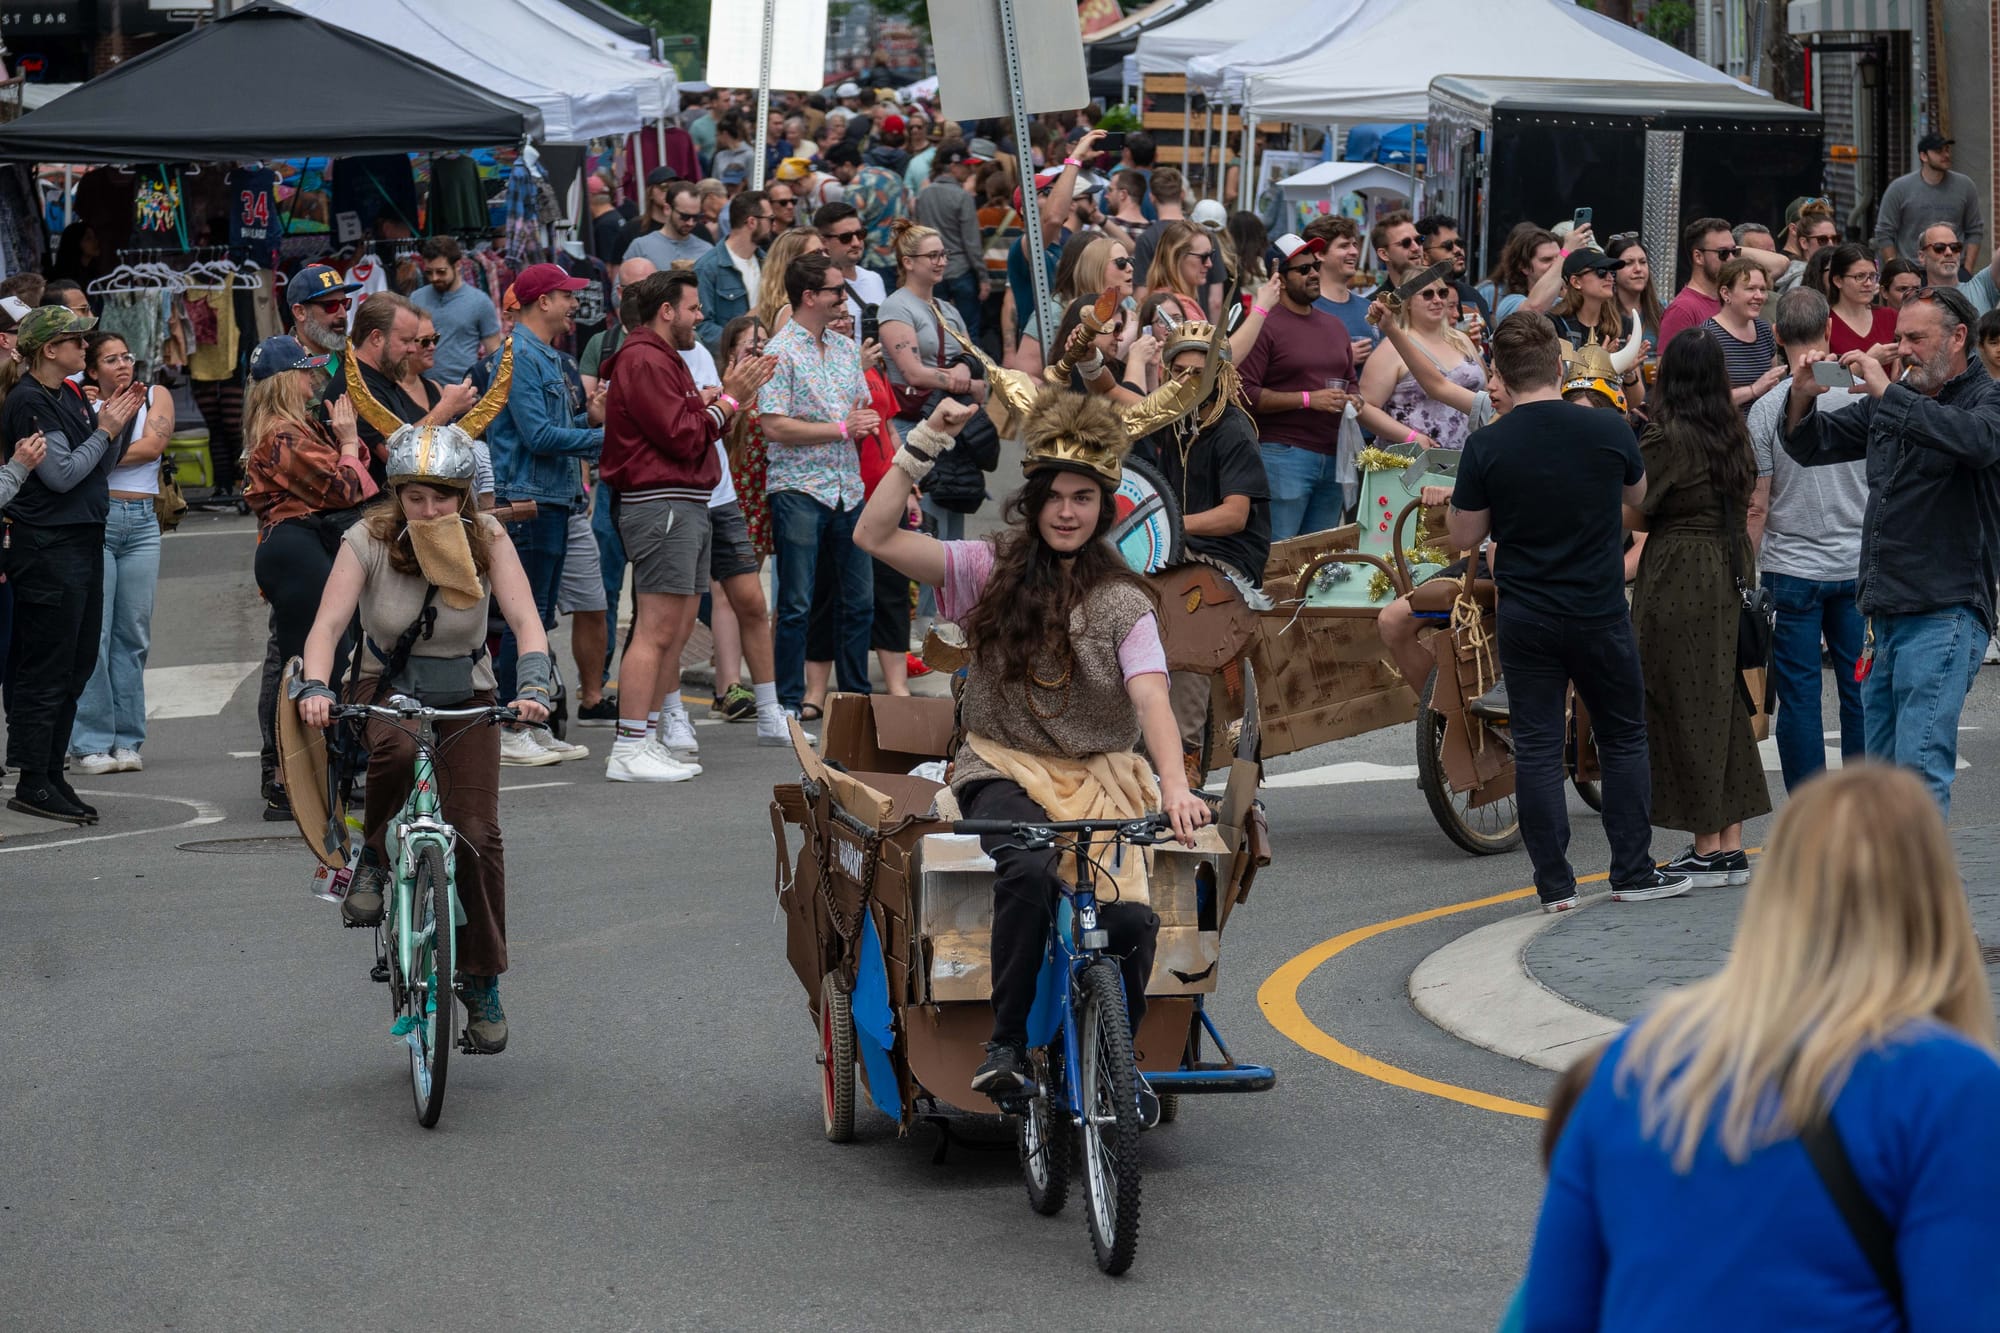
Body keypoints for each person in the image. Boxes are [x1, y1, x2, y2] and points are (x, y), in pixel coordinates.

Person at [1522, 763, 2000, 1329]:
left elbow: (1550, 1315)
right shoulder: (1949, 1089)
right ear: (1939, 904)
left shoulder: (1629, 1067)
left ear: (1777, 897)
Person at [854, 386, 1211, 1100]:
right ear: (1035, 500)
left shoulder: (1124, 599)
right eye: (1056, 495)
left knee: (1134, 919)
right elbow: (875, 536)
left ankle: (1118, 1058)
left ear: (1104, 507)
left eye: (1084, 496)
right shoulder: (987, 569)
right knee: (1025, 866)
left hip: (1099, 775)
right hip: (1000, 763)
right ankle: (1008, 1043)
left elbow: (1151, 697)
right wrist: (925, 439)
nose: (1068, 511)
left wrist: (1174, 783)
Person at [293, 419, 550, 1052]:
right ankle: (375, 860)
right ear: (397, 493)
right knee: (402, 748)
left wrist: (537, 688)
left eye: (441, 496)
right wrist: (317, 688)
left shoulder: (487, 535)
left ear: (463, 494)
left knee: (479, 836)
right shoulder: (367, 538)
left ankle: (482, 982)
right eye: (415, 496)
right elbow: (326, 627)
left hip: (468, 694)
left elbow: (525, 619)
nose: (428, 508)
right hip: (384, 689)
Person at [1446, 313, 1691, 912]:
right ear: (1559, 368)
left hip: (1528, 610)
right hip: (1598, 605)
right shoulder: (1608, 431)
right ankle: (1632, 870)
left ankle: (1554, 886)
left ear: (1498, 374)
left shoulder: (1486, 444)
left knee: (1535, 745)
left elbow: (1463, 535)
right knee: (1624, 737)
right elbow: (1638, 498)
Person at [1783, 285, 2000, 815]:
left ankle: (1916, 898)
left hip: (1944, 610)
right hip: (1882, 615)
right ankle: (1884, 894)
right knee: (1879, 779)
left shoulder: (1986, 398)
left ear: (1957, 338)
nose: (1902, 349)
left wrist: (1887, 391)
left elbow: (1975, 442)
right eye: (1898, 337)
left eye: (1916, 338)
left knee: (1917, 774)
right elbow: (1810, 445)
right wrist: (1805, 393)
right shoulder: (1895, 399)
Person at [600, 270, 776, 780]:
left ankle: (646, 735)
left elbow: (681, 424)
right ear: (667, 311)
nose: (701, 316)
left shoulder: (658, 358)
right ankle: (630, 746)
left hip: (679, 501)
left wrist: (716, 402)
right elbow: (681, 435)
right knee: (655, 631)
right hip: (662, 503)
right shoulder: (645, 358)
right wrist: (729, 399)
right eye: (694, 308)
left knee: (673, 632)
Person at [1628, 331, 1771, 885]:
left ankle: (1707, 846)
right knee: (1724, 700)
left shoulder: (1667, 436)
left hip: (1680, 571)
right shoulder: (1733, 433)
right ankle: (1729, 845)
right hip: (1730, 566)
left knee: (1679, 702)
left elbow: (1638, 513)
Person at [0, 307, 145, 823]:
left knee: (78, 663)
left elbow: (99, 466)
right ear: (48, 350)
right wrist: (105, 429)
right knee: (48, 666)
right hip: (47, 546)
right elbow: (61, 475)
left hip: (81, 539)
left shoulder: (67, 395)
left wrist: (116, 424)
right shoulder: (29, 401)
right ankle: (34, 777)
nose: (85, 348)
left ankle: (52, 774)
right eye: (76, 341)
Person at [241, 335, 378, 817]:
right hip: (295, 547)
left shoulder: (294, 427)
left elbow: (358, 478)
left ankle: (319, 775)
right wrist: (345, 441)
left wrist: (346, 446)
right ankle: (287, 781)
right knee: (309, 665)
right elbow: (348, 490)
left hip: (304, 543)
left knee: (323, 661)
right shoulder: (283, 433)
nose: (313, 378)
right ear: (283, 381)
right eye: (304, 371)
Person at [483, 263, 606, 767]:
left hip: (551, 498)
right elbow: (537, 436)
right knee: (523, 619)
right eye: (565, 295)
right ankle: (513, 725)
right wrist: (606, 437)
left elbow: (552, 427)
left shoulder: (545, 356)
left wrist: (588, 419)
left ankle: (529, 722)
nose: (573, 303)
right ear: (541, 302)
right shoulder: (518, 356)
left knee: (536, 618)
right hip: (529, 502)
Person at [1747, 287, 1867, 792]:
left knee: (1798, 695)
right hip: (1859, 566)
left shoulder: (1766, 407)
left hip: (1790, 569)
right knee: (1860, 689)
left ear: (1775, 336)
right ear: (1831, 330)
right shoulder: (1862, 388)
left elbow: (1758, 503)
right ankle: (1866, 801)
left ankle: (1809, 815)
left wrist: (1743, 573)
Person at [1139, 321, 1270, 775]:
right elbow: (1118, 408)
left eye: (1198, 371)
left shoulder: (1233, 429)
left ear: (1220, 375)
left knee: (1186, 615)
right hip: (1168, 550)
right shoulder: (1165, 420)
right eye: (1178, 371)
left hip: (1226, 557)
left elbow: (1234, 515)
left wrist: (1166, 524)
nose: (1187, 381)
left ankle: (1185, 751)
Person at [759, 252, 878, 716]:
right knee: (796, 601)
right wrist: (843, 429)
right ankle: (787, 703)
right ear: (810, 297)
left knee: (859, 601)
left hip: (848, 486)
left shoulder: (847, 348)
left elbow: (861, 408)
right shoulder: (779, 351)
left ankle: (856, 702)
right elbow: (773, 426)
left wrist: (863, 424)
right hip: (798, 489)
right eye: (836, 291)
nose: (844, 298)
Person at [1242, 233, 1412, 538]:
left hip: (1335, 456)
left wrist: (1354, 401)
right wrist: (1308, 399)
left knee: (1318, 560)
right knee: (1280, 555)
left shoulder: (1333, 325)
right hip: (1283, 453)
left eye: (1315, 267)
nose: (1313, 274)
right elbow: (1246, 394)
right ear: (1277, 277)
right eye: (1303, 269)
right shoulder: (1263, 325)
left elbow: (1351, 384)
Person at [68, 332, 172, 776]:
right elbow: (69, 456)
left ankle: (128, 740)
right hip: (101, 518)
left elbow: (153, 445)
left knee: (133, 635)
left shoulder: (155, 394)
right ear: (92, 370)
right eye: (110, 360)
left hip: (143, 521)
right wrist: (98, 441)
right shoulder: (80, 403)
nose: (122, 365)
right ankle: (91, 742)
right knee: (96, 633)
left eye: (126, 357)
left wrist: (100, 448)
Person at [1360, 271, 1485, 451]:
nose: (1437, 300)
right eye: (1427, 294)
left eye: (1442, 293)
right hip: (1411, 463)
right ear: (1408, 303)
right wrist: (1410, 436)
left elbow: (1485, 395)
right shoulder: (1393, 346)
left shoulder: (1462, 340)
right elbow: (1365, 406)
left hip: (1466, 460)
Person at [1658, 217, 1791, 352]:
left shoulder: (1735, 298)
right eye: (1723, 253)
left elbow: (1781, 264)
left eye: (1734, 252)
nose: (1731, 259)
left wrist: (1731, 249)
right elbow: (1667, 369)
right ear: (1698, 256)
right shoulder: (1683, 309)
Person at [1872, 131, 1985, 271]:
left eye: (1947, 150)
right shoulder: (1899, 188)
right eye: (1939, 151)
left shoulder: (1965, 186)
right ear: (1923, 156)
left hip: (1953, 269)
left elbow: (1975, 230)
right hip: (1913, 270)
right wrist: (1896, 271)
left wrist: (1967, 270)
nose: (1946, 155)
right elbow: (1884, 232)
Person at [913, 142, 989, 339]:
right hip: (961, 269)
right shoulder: (963, 197)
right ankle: (973, 368)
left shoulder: (923, 195)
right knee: (969, 331)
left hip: (933, 271)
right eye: (966, 165)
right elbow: (971, 242)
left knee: (938, 331)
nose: (971, 169)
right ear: (954, 166)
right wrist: (982, 277)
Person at [410, 237, 502, 386]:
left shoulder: (480, 302)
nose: (434, 278)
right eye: (429, 272)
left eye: (441, 272)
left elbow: (494, 353)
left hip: (465, 392)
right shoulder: (416, 298)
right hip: (423, 393)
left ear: (458, 265)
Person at [694, 190, 772, 358]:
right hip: (729, 368)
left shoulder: (768, 263)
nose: (772, 225)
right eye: (769, 219)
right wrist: (741, 341)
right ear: (752, 222)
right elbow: (702, 327)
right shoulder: (708, 268)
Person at [1699, 257, 1783, 411]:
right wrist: (1753, 390)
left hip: (1761, 429)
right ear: (1726, 293)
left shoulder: (1764, 330)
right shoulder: (1707, 336)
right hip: (1723, 431)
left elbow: (1772, 384)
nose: (1759, 296)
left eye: (1763, 289)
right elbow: (1703, 401)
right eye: (1750, 289)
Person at [1416, 213, 1493, 328]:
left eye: (1460, 244)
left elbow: (1486, 340)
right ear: (1425, 256)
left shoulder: (1473, 295)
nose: (1458, 250)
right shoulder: (1414, 299)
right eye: (1448, 246)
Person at [1823, 243, 1899, 359]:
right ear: (1838, 281)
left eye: (1873, 276)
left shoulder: (1890, 316)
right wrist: (1869, 360)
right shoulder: (1824, 323)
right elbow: (1825, 376)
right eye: (1859, 276)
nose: (1868, 283)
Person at [1481, 224, 1564, 323]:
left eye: (1559, 258)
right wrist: (1567, 251)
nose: (1556, 265)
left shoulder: (1563, 303)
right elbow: (1534, 310)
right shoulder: (1511, 303)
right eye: (1546, 260)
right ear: (1524, 267)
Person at [626, 179, 712, 270]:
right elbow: (623, 282)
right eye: (684, 216)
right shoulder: (640, 248)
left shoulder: (707, 251)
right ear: (667, 209)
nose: (690, 223)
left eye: (696, 217)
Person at [1142, 221, 1214, 324]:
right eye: (1203, 257)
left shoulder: (1160, 298)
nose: (1209, 264)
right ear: (1176, 258)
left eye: (1211, 255)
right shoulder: (1177, 309)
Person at [1367, 211, 1427, 298]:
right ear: (1384, 254)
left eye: (1419, 240)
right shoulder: (1375, 306)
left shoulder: (1443, 292)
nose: (1416, 248)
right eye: (1406, 243)